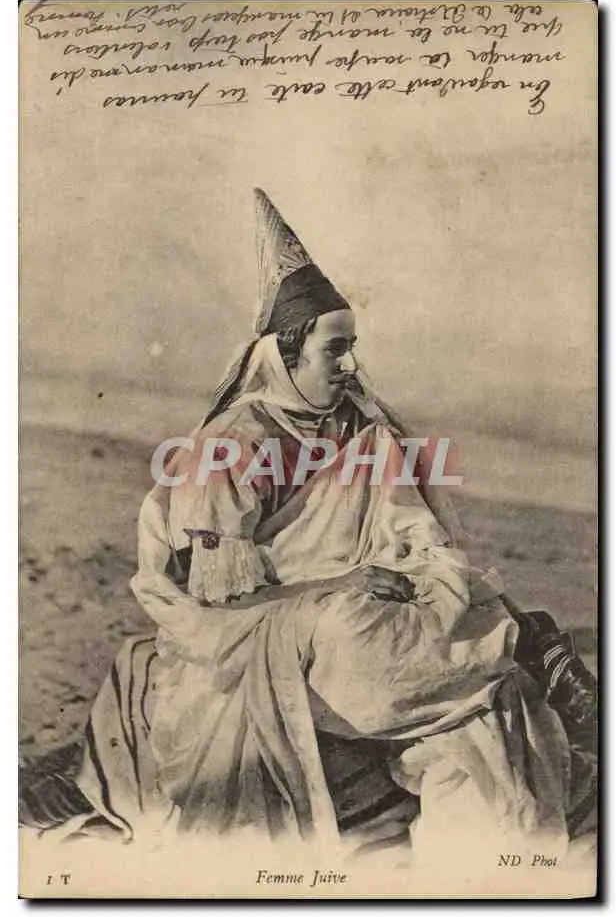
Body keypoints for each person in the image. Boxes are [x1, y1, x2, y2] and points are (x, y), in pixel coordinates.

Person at [20, 190, 596, 863]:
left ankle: (525, 652)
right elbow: (219, 597)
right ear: (286, 355)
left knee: (437, 594)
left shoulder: (357, 429)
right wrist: (343, 583)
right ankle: (521, 648)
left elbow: (407, 523)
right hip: (253, 621)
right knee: (356, 628)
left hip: (346, 593)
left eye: (352, 349)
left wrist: (419, 570)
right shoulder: (233, 442)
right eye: (335, 351)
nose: (350, 366)